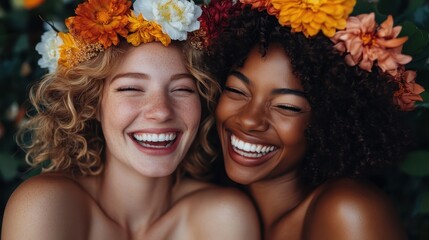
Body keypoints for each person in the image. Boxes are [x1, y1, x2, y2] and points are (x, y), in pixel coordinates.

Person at [1, 0, 261, 239]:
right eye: (131, 89)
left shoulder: (226, 217)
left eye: (182, 89)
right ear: (92, 104)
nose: (161, 111)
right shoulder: (46, 206)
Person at [190, 0, 425, 239]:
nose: (250, 120)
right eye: (237, 91)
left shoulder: (347, 210)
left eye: (287, 107)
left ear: (330, 121)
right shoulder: (206, 205)